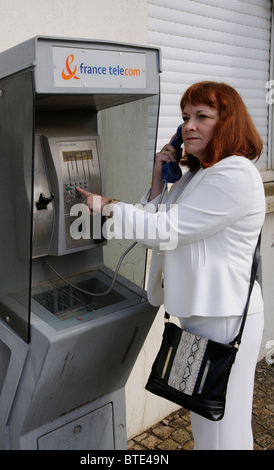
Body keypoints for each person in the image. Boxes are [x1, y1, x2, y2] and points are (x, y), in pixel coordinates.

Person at [76, 81, 265, 450]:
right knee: (203, 418)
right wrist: (158, 178)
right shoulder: (197, 174)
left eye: (201, 117)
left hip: (224, 317)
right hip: (197, 314)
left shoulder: (236, 174)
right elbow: (152, 230)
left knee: (223, 427)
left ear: (227, 123)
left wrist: (108, 206)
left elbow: (167, 229)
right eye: (184, 118)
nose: (189, 126)